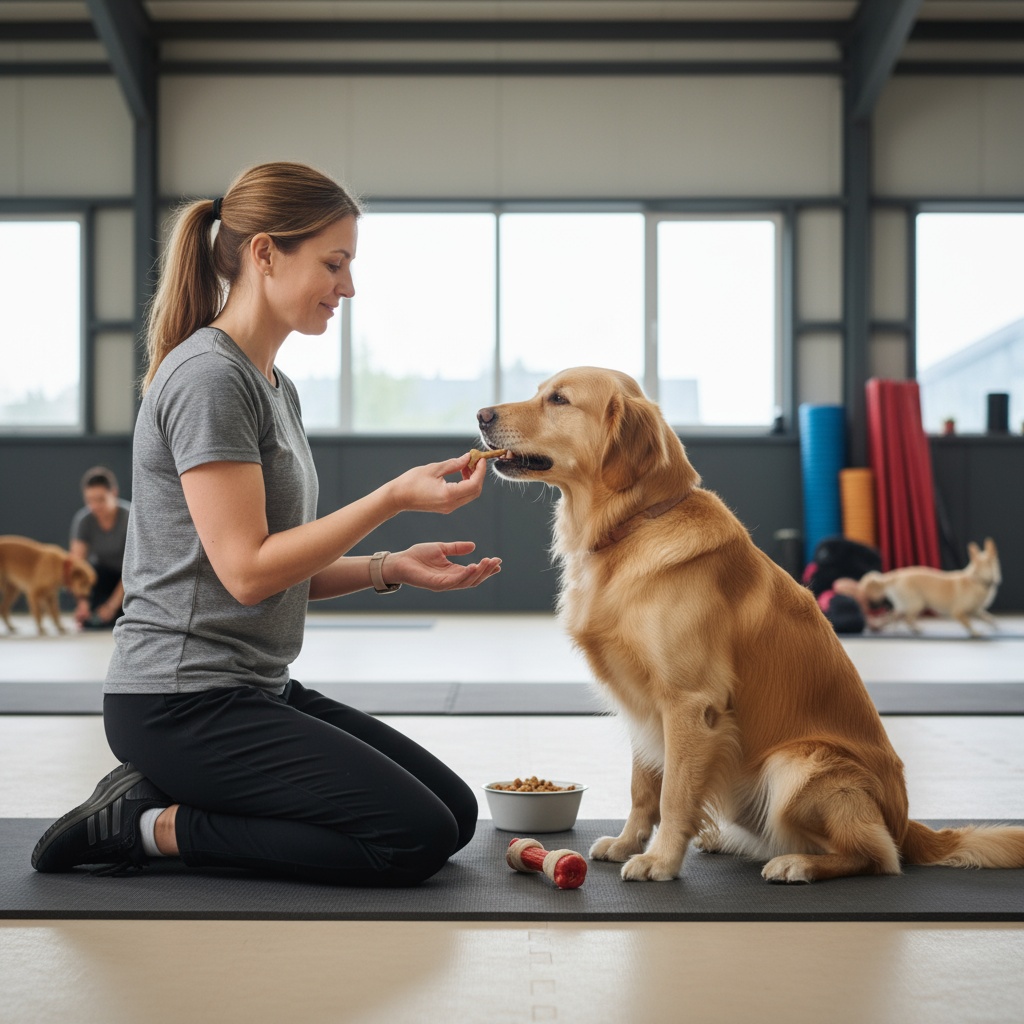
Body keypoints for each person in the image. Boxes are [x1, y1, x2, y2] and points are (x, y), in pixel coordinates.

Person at [32, 161, 501, 886]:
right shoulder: (209, 379)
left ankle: (165, 800)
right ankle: (148, 826)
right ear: (264, 254)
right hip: (178, 703)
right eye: (334, 264)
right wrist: (389, 499)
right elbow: (248, 573)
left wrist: (390, 567)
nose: (347, 287)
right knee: (411, 838)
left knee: (454, 814)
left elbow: (275, 570)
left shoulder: (271, 385)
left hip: (252, 689)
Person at [69, 466, 131, 628]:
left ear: (114, 493)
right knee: (92, 620)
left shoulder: (130, 518)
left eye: (101, 499)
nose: (95, 506)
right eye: (89, 501)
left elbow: (132, 568)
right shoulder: (84, 520)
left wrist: (112, 605)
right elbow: (77, 566)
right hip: (102, 574)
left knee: (119, 617)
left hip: (128, 578)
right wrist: (82, 602)